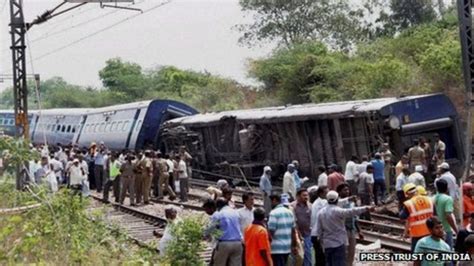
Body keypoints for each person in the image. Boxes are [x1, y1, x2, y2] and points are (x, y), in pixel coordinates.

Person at [316, 190, 375, 266]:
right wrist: (366, 208)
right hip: (338, 243)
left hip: (327, 244)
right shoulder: (337, 211)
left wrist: (322, 242)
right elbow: (351, 211)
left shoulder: (321, 212)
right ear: (337, 199)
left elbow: (319, 230)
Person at [205, 197, 243, 266]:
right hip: (238, 243)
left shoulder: (218, 214)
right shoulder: (236, 212)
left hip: (224, 244)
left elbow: (210, 228)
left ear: (218, 206)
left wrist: (204, 234)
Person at [399, 183, 433, 252]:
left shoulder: (409, 203)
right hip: (430, 231)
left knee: (416, 255)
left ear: (407, 194)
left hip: (417, 234)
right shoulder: (429, 200)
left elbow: (402, 216)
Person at [336, 183, 363, 266]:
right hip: (342, 230)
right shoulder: (338, 203)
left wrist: (359, 231)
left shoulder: (351, 203)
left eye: (348, 190)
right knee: (343, 251)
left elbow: (354, 218)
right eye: (345, 190)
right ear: (339, 192)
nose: (347, 191)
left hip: (351, 229)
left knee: (352, 251)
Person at [268, 193, 297, 266]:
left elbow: (271, 231)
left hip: (276, 248)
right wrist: (294, 246)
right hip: (287, 247)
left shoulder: (273, 213)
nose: (271, 204)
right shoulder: (290, 213)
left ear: (274, 200)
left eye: (271, 201)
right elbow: (293, 231)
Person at [433, 179, 458, 249]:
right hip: (446, 229)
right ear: (447, 188)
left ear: (437, 188)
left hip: (435, 229)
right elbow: (448, 216)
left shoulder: (433, 198)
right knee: (448, 250)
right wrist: (456, 229)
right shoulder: (448, 199)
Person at [290, 188, 312, 266]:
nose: (306, 197)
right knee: (297, 255)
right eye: (304, 195)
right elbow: (293, 221)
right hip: (296, 235)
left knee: (307, 254)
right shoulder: (292, 206)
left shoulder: (310, 206)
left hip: (307, 234)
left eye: (307, 195)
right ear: (298, 196)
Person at [310, 186, 328, 266]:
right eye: (326, 193)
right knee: (320, 256)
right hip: (318, 233)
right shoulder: (318, 204)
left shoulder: (321, 202)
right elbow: (315, 220)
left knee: (321, 256)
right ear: (321, 193)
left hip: (318, 233)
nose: (327, 195)